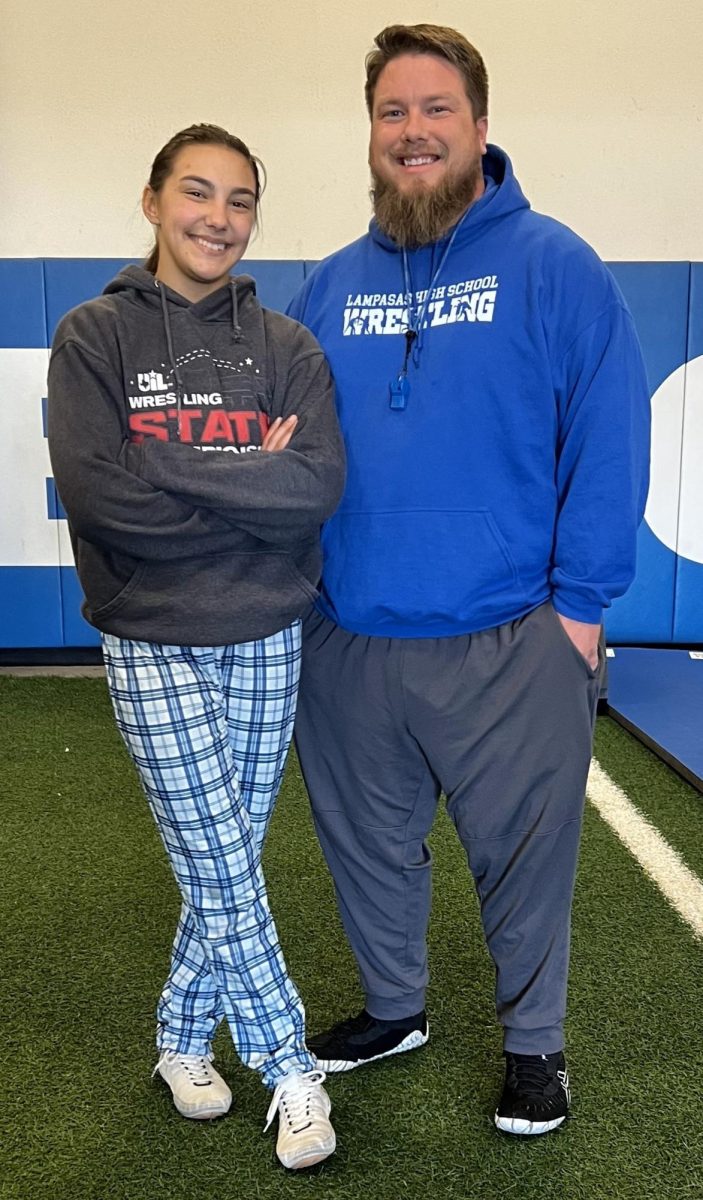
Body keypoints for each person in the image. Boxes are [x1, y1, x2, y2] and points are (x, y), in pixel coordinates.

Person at [288, 25, 650, 1136]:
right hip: (351, 639)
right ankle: (395, 1007)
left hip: (511, 639)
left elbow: (607, 436)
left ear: (480, 127)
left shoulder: (554, 263)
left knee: (525, 864)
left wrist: (580, 612)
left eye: (435, 110)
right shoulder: (329, 285)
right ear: (370, 133)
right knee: (367, 852)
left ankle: (534, 1048)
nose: (413, 133)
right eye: (392, 113)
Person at [47, 123, 345, 1170]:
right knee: (222, 863)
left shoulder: (290, 350)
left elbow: (313, 490)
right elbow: (100, 500)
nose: (219, 217)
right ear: (152, 199)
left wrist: (168, 471)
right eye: (197, 193)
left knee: (226, 862)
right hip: (153, 634)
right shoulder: (95, 337)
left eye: (240, 199)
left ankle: (181, 1040)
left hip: (267, 631)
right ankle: (290, 1069)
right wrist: (245, 491)